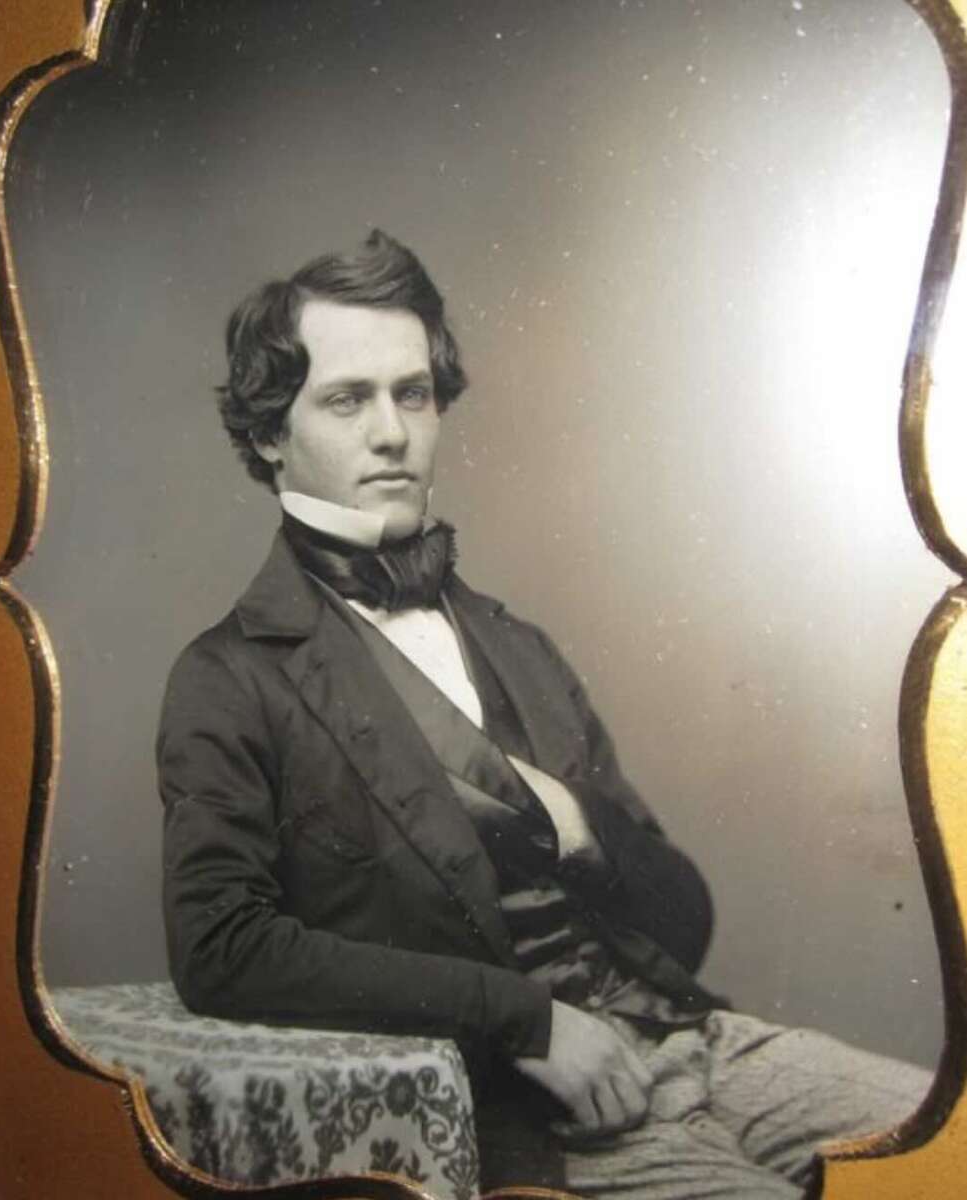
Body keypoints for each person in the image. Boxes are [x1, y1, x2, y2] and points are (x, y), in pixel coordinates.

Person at [158, 229, 931, 1197]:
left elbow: (681, 918)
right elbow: (222, 949)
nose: (392, 432)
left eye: (414, 393)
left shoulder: (514, 643)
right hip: (543, 1114)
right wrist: (524, 1019)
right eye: (347, 400)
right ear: (273, 433)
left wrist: (580, 830)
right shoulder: (230, 676)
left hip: (698, 1044)